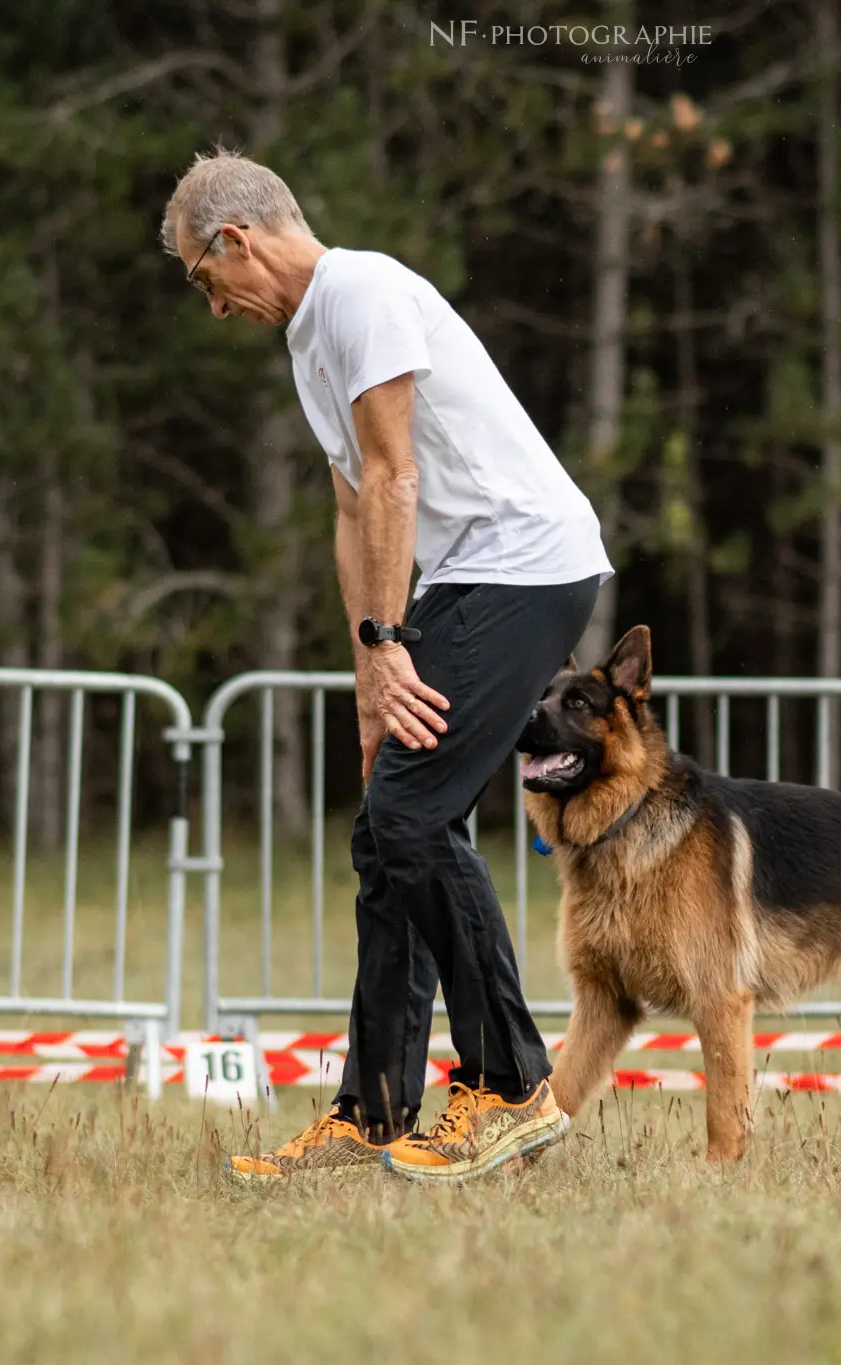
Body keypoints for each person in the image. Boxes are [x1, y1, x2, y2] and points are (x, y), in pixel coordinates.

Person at [161, 149, 611, 1182]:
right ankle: (372, 1109)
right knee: (390, 829)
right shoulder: (310, 338)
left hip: (525, 565)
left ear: (237, 239)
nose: (214, 306)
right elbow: (351, 507)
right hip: (462, 578)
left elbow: (397, 474)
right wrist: (370, 675)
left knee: (410, 820)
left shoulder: (360, 291)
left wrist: (387, 645)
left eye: (204, 278)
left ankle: (509, 1088)